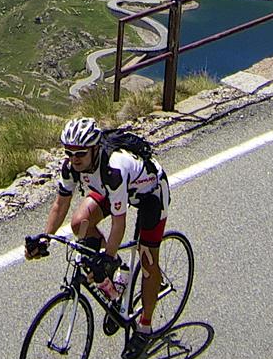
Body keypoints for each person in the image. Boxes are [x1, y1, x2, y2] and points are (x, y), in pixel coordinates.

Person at [23, 116, 171, 338]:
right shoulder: (71, 167)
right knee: (79, 223)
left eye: (80, 154)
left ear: (94, 149)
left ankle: (145, 325)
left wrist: (107, 258)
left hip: (150, 195)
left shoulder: (114, 169)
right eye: (69, 153)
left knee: (148, 260)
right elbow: (60, 205)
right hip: (111, 192)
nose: (74, 159)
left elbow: (119, 223)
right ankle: (118, 270)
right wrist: (45, 238)